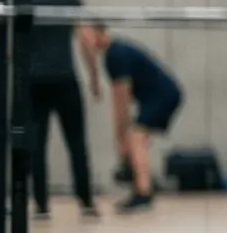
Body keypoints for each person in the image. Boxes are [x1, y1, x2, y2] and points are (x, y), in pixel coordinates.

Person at [24, 0, 98, 219]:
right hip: (65, 78)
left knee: (36, 145)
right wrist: (94, 77)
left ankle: (41, 205)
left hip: (33, 81)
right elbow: (87, 40)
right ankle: (86, 202)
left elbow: (12, 47)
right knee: (76, 142)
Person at [79, 26, 184, 214]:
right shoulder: (114, 52)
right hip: (156, 96)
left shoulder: (116, 56)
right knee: (138, 140)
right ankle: (142, 186)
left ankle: (143, 192)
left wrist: (121, 139)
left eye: (85, 35)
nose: (82, 41)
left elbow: (122, 102)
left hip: (163, 95)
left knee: (135, 138)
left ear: (98, 31)